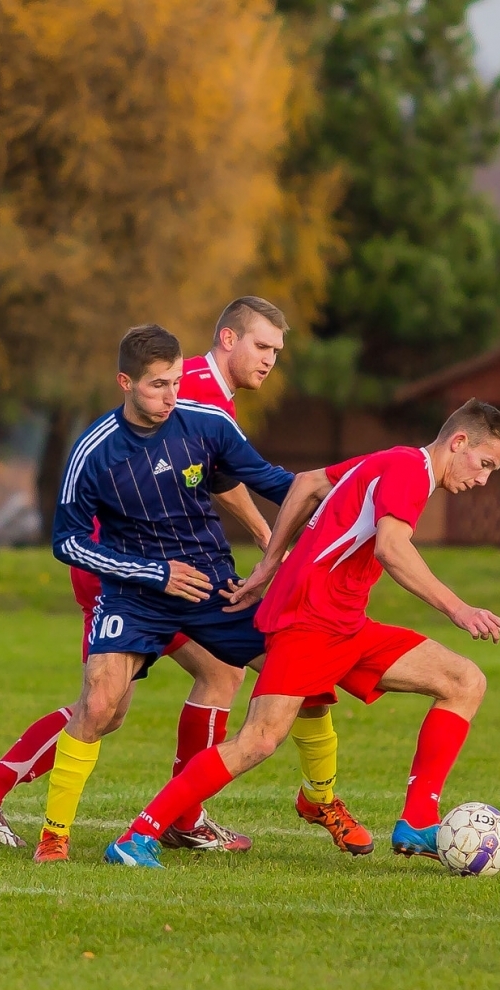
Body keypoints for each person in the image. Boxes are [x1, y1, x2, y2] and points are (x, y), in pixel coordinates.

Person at [0, 298, 356, 855]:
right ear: (227, 340)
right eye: (263, 347)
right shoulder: (192, 397)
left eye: (277, 352)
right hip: (119, 566)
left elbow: (225, 474)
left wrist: (349, 497)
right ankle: (179, 814)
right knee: (117, 702)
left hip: (177, 567)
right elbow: (217, 481)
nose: (270, 361)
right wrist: (264, 540)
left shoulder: (202, 403)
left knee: (205, 681)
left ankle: (178, 811)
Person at [102, 399, 500, 869]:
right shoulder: (408, 471)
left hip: (345, 626)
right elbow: (392, 549)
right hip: (311, 625)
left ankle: (418, 820)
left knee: (464, 681)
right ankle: (137, 836)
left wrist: (270, 561)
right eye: (485, 465)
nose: (483, 479)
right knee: (258, 740)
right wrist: (458, 609)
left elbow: (309, 483)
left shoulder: (390, 460)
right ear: (458, 442)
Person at [28, 322, 298, 864]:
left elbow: (274, 482)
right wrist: (154, 573)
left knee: (300, 658)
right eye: (157, 385)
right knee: (101, 704)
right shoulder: (93, 451)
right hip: (135, 596)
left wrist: (351, 496)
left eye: (176, 382)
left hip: (212, 584)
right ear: (125, 382)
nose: (172, 396)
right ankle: (54, 837)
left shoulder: (207, 423)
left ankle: (318, 797)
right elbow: (68, 543)